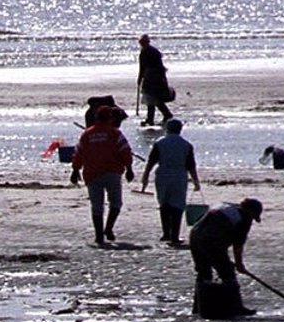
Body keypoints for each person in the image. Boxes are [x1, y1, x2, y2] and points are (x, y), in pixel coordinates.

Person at [72, 103, 134, 246]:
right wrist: (129, 168)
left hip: (92, 173)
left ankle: (99, 235)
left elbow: (78, 153)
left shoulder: (87, 134)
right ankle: (108, 228)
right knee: (116, 203)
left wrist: (75, 170)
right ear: (110, 118)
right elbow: (125, 151)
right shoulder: (115, 134)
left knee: (97, 205)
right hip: (112, 173)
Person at [188, 198, 262, 317]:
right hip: (211, 240)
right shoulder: (244, 218)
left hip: (195, 235)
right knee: (227, 272)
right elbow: (238, 246)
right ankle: (236, 307)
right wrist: (239, 264)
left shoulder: (225, 206)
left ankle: (199, 308)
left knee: (203, 272)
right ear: (250, 211)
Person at [140, 118, 200, 246]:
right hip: (179, 176)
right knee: (178, 206)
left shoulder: (160, 143)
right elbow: (191, 165)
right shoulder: (186, 144)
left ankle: (166, 232)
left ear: (167, 129)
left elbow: (151, 162)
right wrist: (196, 182)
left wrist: (145, 177)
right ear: (180, 129)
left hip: (162, 175)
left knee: (164, 204)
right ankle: (175, 235)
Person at [136, 35, 174, 127]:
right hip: (157, 77)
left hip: (151, 78)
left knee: (151, 98)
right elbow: (160, 66)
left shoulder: (145, 52)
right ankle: (159, 116)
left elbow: (142, 67)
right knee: (154, 99)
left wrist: (140, 78)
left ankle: (156, 117)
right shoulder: (154, 51)